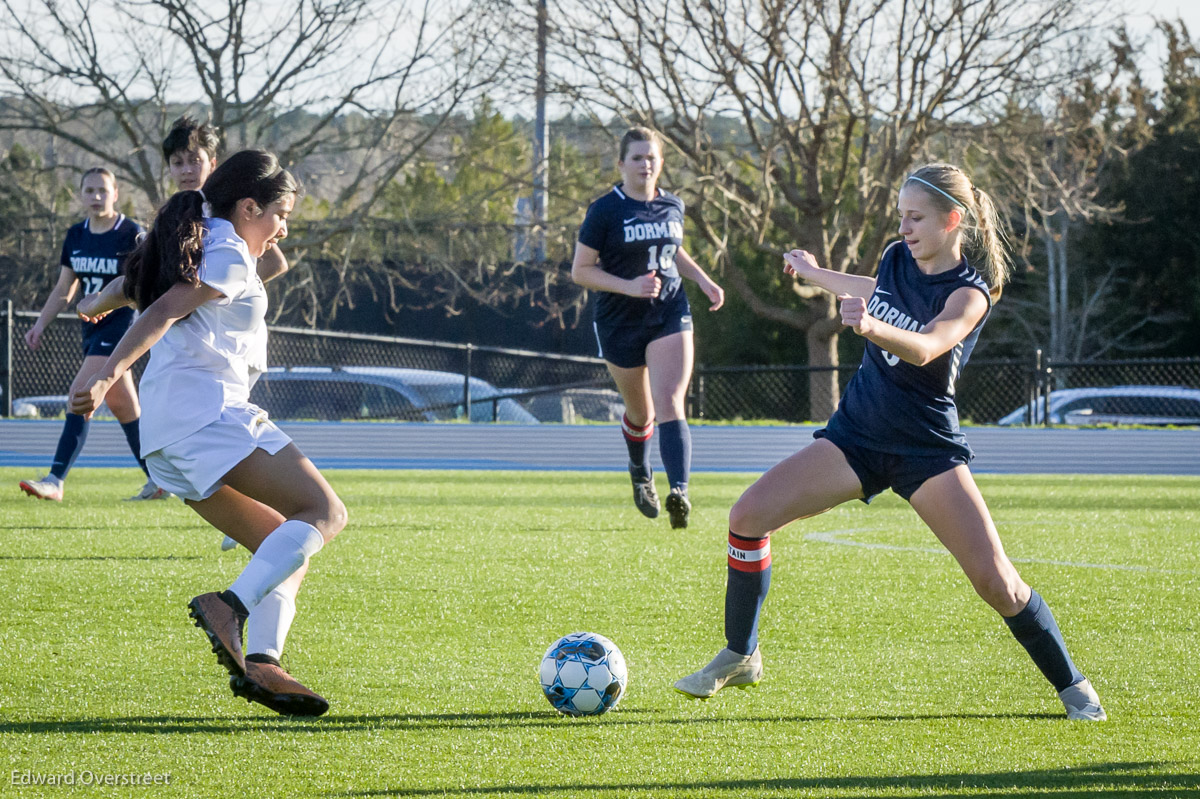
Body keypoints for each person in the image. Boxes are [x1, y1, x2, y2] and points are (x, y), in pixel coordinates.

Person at [673, 163, 1106, 721]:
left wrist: (871, 328)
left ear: (953, 219)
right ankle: (741, 652)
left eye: (915, 217)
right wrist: (813, 271)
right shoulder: (897, 258)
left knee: (998, 583)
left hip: (924, 450)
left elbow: (928, 346)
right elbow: (873, 292)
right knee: (748, 515)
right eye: (900, 215)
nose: (903, 227)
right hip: (855, 437)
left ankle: (1074, 688)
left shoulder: (970, 293)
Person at [71, 150, 346, 717]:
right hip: (210, 416)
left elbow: (135, 290)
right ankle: (231, 607)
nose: (284, 227)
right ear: (248, 207)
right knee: (325, 513)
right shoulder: (226, 254)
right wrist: (106, 375)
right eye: (279, 214)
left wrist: (99, 302)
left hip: (168, 436)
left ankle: (265, 663)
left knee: (283, 548)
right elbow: (167, 308)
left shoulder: (204, 245)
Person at [81, 115, 288, 552]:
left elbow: (273, 263)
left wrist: (231, 291)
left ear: (213, 164)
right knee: (301, 517)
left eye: (195, 159)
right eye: (178, 162)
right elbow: (149, 288)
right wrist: (97, 304)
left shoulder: (227, 218)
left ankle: (247, 517)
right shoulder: (181, 220)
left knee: (283, 524)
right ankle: (246, 522)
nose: (187, 169)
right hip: (201, 371)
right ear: (169, 168)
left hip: (229, 350)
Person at [571, 127, 724, 529]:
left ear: (661, 163)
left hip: (669, 311)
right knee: (642, 415)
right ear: (621, 164)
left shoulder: (673, 205)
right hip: (619, 321)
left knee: (671, 401)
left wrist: (703, 280)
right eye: (637, 158)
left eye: (652, 157)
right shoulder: (604, 210)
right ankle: (640, 471)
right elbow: (581, 271)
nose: (645, 165)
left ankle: (680, 491)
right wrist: (629, 286)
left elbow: (672, 250)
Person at [18, 168, 169, 502]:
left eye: (103, 190)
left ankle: (55, 478)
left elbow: (144, 284)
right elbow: (64, 288)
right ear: (81, 195)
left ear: (116, 193)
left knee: (81, 393)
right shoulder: (76, 235)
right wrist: (40, 324)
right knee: (124, 407)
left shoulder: (132, 233)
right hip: (91, 330)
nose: (96, 196)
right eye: (89, 190)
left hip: (121, 328)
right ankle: (159, 479)